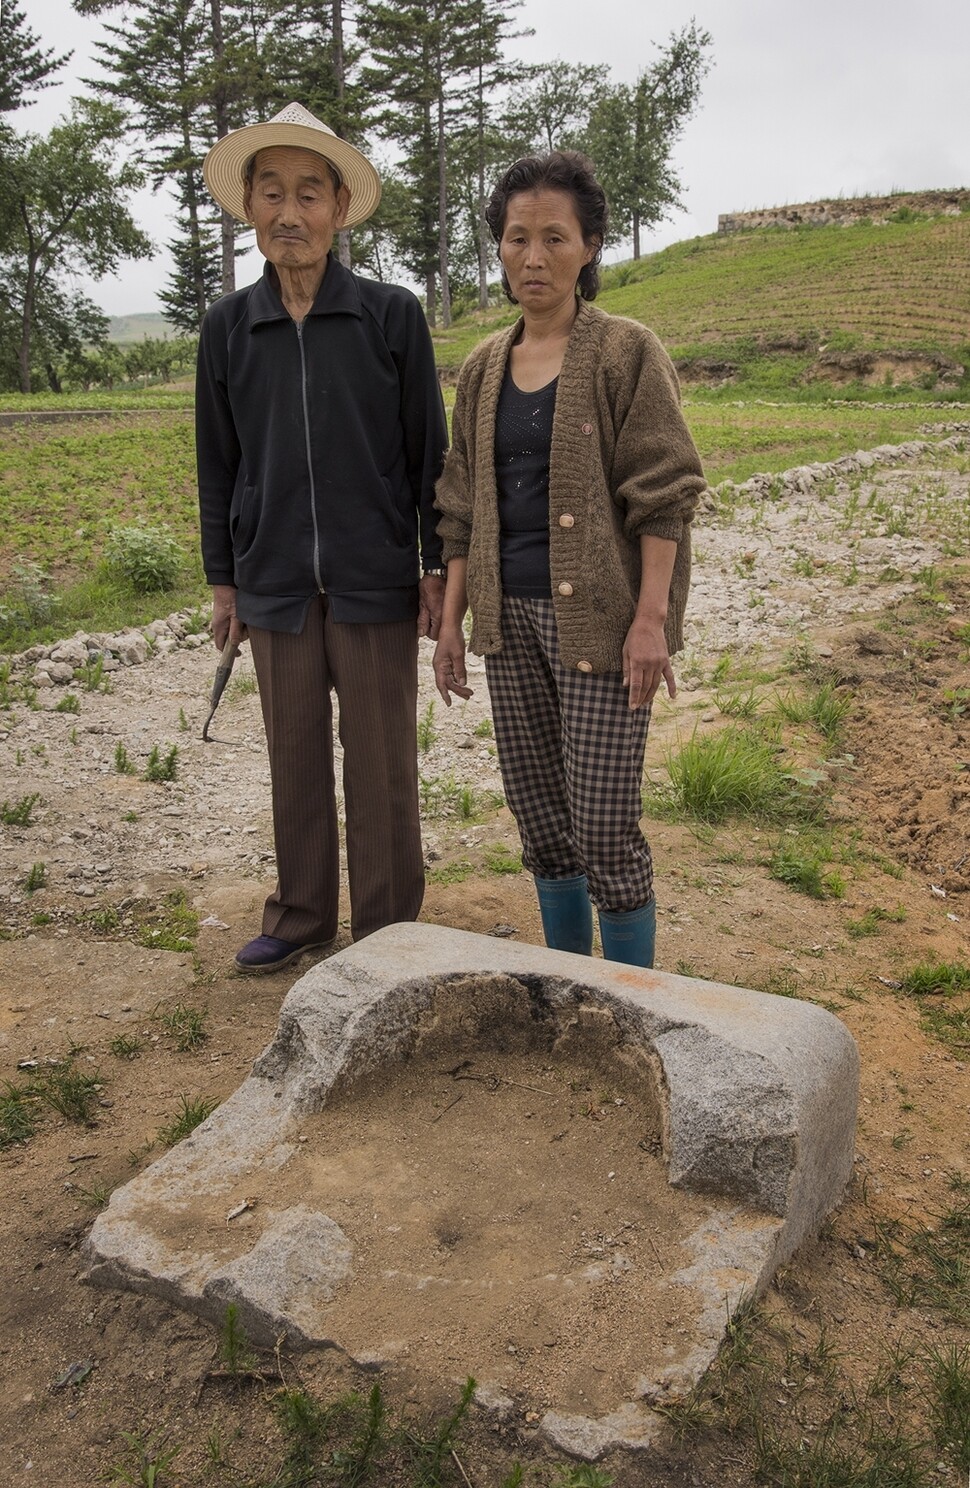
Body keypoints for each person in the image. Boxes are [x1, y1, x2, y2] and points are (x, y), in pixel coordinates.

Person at [433, 151, 706, 969]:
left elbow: (664, 493)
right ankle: (567, 985)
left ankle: (628, 1001)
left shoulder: (625, 352)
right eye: (517, 237)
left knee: (604, 826)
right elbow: (460, 506)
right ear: (499, 247)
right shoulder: (483, 366)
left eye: (555, 237)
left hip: (603, 625)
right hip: (507, 626)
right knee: (542, 821)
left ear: (589, 247)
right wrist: (451, 626)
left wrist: (650, 622)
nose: (534, 257)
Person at [197, 103, 448, 974]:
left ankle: (387, 931)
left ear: (339, 208)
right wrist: (224, 581)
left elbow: (428, 455)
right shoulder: (229, 328)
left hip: (375, 578)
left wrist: (435, 566)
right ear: (249, 208)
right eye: (271, 192)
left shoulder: (389, 315)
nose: (289, 212)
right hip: (272, 584)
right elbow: (217, 465)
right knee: (293, 758)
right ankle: (303, 914)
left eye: (309, 193)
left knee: (381, 763)